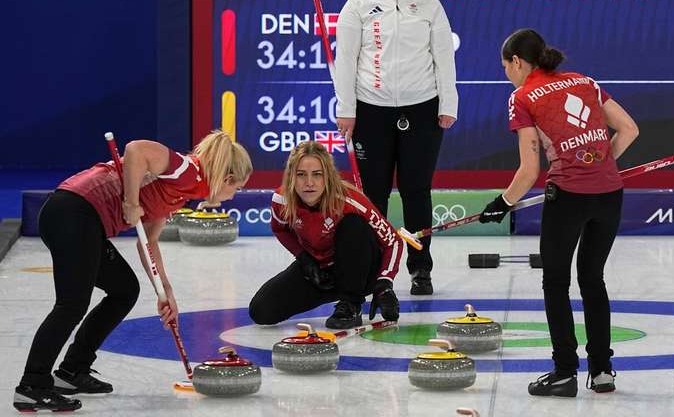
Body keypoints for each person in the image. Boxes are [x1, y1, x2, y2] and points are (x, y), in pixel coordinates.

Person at [14, 130, 252, 412]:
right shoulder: (187, 171)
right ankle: (33, 385)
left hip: (83, 220)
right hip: (73, 212)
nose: (232, 196)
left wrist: (165, 292)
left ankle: (72, 371)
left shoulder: (184, 191)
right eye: (236, 189)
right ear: (227, 179)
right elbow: (137, 149)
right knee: (71, 305)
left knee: (124, 290)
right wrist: (131, 201)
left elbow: (148, 242)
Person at [478, 29, 639, 398]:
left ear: (517, 62)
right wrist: (598, 164)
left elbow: (528, 171)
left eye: (506, 67)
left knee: (556, 283)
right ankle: (602, 371)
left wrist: (501, 204)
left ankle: (565, 371)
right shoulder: (585, 82)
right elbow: (629, 129)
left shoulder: (521, 96)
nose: (507, 74)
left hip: (567, 196)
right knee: (593, 280)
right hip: (610, 193)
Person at [333, 0, 458, 296]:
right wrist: (347, 109)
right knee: (373, 194)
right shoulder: (359, 3)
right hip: (371, 110)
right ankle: (374, 268)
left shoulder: (429, 3)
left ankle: (420, 268)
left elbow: (443, 57)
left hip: (422, 109)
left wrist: (447, 104)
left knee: (416, 190)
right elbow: (346, 61)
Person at [248, 141, 402, 329]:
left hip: (361, 271)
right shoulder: (282, 200)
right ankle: (338, 292)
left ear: (327, 177)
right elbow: (280, 229)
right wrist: (304, 259)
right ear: (291, 178)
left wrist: (384, 283)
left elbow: (393, 241)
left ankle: (351, 303)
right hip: (321, 272)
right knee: (261, 311)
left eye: (317, 175)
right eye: (301, 175)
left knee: (353, 225)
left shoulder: (348, 200)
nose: (309, 183)